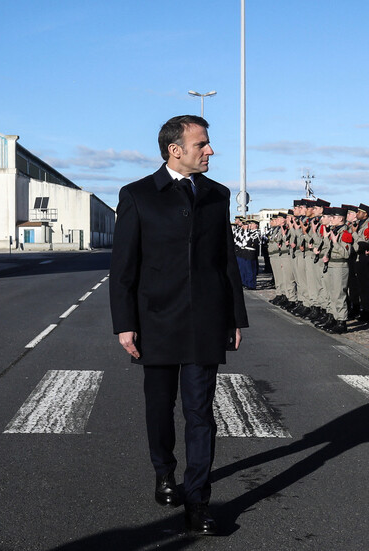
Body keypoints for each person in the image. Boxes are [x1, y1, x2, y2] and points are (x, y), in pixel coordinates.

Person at [109, 115, 248, 535]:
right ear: (175, 150)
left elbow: (226, 260)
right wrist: (125, 324)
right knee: (159, 406)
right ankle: (164, 471)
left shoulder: (216, 194)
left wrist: (234, 318)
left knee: (201, 413)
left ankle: (198, 500)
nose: (210, 151)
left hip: (205, 321)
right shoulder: (137, 196)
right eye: (202, 144)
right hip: (156, 321)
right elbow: (124, 269)